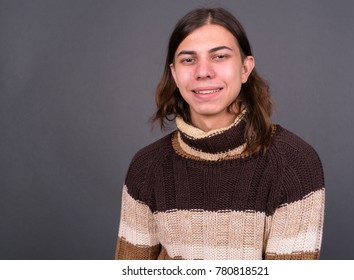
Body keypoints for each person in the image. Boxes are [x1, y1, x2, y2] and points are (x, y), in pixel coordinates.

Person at [115, 7, 325, 260]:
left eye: (220, 57)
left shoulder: (294, 163)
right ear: (175, 75)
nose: (203, 71)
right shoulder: (146, 167)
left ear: (245, 69)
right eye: (188, 60)